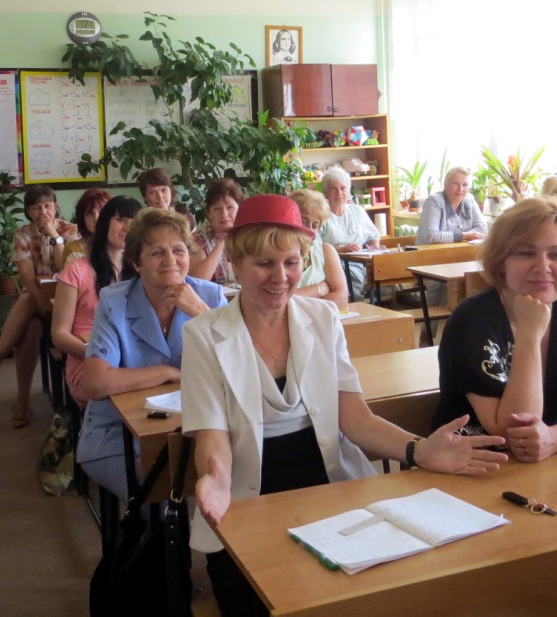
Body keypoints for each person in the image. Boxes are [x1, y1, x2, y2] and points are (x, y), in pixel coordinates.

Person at [180, 194, 507, 616]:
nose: (280, 276)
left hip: (328, 483)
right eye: (264, 263)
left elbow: (356, 420)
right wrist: (217, 479)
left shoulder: (322, 318)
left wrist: (421, 450)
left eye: (291, 262)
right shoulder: (204, 335)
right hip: (246, 494)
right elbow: (212, 437)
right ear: (236, 263)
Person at [432, 196, 557, 462]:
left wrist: (556, 438)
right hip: (474, 465)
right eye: (526, 253)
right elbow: (514, 432)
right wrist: (529, 335)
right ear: (501, 262)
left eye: (556, 255)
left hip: (545, 463)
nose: (543, 267)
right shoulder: (472, 319)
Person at [78, 208, 226, 500]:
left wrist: (200, 313)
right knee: (152, 495)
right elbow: (95, 383)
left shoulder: (209, 297)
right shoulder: (114, 302)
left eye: (179, 250)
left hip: (199, 428)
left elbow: (242, 367)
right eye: (157, 253)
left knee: (232, 485)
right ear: (137, 262)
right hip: (118, 435)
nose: (171, 260)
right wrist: (169, 373)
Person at [0, 185, 79, 427]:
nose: (42, 211)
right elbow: (26, 276)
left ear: (56, 206)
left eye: (47, 205)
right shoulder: (22, 235)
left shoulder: (71, 230)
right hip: (38, 301)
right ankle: (22, 399)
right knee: (31, 328)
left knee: (25, 300)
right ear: (28, 212)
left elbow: (66, 268)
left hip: (67, 303)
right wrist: (42, 305)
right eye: (36, 207)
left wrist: (53, 234)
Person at [51, 197, 142, 409]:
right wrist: (100, 355)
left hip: (132, 359)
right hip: (87, 360)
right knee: (127, 401)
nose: (127, 227)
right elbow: (59, 335)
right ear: (105, 224)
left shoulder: (142, 270)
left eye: (134, 221)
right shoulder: (76, 269)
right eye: (121, 219)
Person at [319, 167, 381, 299]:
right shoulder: (321, 215)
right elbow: (317, 247)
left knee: (388, 279)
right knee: (352, 279)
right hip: (336, 265)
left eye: (343, 188)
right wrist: (342, 249)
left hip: (363, 262)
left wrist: (372, 250)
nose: (339, 193)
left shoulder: (358, 211)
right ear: (325, 192)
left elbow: (374, 235)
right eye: (333, 188)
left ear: (348, 191)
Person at [290, 189, 349, 308]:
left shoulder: (326, 251)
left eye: (315, 225)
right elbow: (277, 301)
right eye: (304, 221)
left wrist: (296, 300)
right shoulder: (277, 252)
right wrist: (318, 289)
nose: (309, 230)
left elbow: (342, 299)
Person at [190, 178, 243, 285]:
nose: (224, 215)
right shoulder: (199, 240)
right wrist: (220, 243)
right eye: (217, 208)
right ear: (209, 213)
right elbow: (198, 281)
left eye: (230, 207)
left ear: (240, 209)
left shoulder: (248, 236)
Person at [416, 166, 488, 245]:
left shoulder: (469, 199)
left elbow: (482, 228)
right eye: (455, 184)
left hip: (460, 251)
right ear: (445, 185)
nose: (460, 189)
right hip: (430, 252)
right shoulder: (434, 201)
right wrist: (465, 236)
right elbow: (431, 236)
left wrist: (461, 236)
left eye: (465, 185)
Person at [59, 188, 111, 267]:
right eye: (90, 213)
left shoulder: (120, 246)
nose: (96, 218)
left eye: (101, 212)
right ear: (83, 218)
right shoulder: (72, 249)